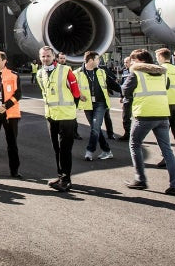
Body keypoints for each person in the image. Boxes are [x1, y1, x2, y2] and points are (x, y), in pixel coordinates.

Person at [122, 49, 175, 196]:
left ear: (141, 61)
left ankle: (140, 179)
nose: (132, 63)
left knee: (134, 144)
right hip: (162, 114)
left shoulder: (136, 73)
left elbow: (125, 90)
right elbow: (166, 87)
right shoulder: (162, 73)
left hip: (144, 114)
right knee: (167, 150)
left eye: (134, 60)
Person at [37, 46, 80, 192]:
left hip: (66, 116)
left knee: (65, 149)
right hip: (51, 115)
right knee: (56, 148)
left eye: (48, 56)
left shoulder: (65, 70)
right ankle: (60, 175)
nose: (45, 59)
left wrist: (72, 109)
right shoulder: (40, 73)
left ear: (53, 56)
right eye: (43, 56)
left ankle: (66, 179)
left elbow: (76, 93)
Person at [76, 51, 116, 162]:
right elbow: (71, 86)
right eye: (97, 59)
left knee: (95, 127)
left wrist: (124, 90)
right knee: (96, 128)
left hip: (101, 103)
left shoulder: (101, 72)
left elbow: (112, 83)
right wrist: (79, 95)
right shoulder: (77, 73)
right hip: (87, 104)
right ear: (91, 60)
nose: (99, 61)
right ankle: (107, 151)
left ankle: (89, 151)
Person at [116, 56, 133, 142]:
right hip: (127, 98)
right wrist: (121, 96)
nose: (125, 64)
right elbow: (122, 85)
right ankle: (127, 134)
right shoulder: (125, 71)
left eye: (127, 62)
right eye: (124, 62)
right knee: (126, 117)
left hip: (135, 97)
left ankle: (135, 135)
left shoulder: (135, 71)